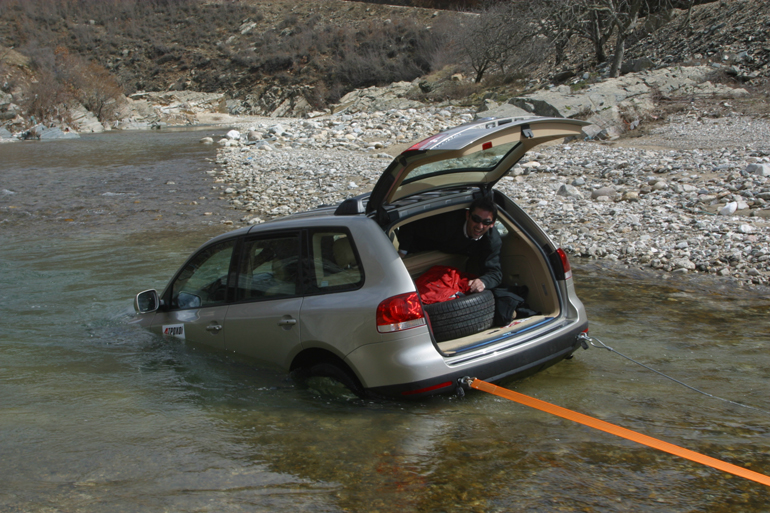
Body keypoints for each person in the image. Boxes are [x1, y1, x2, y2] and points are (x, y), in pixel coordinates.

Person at [397, 195, 502, 293]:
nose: (480, 226)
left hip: (455, 263)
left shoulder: (491, 241)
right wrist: (402, 253)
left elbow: (495, 273)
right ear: (468, 216)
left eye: (486, 222)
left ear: (492, 224)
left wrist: (483, 282)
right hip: (421, 248)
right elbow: (410, 224)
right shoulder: (446, 223)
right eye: (476, 219)